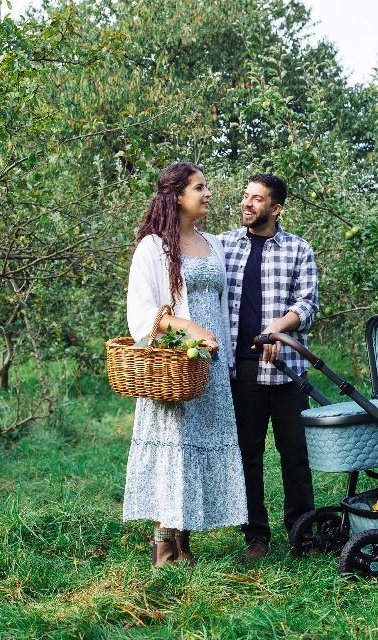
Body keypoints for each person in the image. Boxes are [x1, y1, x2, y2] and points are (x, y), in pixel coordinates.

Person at [123, 162, 248, 568]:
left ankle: (186, 541)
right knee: (173, 449)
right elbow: (143, 313)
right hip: (177, 361)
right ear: (177, 195)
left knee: (195, 450)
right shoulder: (154, 247)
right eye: (200, 187)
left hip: (211, 365)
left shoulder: (214, 244)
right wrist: (190, 328)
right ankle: (163, 544)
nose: (208, 193)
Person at [220, 173, 318, 559]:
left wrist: (278, 328)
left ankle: (302, 533)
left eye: (257, 199)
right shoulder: (224, 246)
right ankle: (255, 536)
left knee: (295, 453)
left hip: (288, 367)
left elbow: (307, 305)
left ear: (275, 208)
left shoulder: (298, 249)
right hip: (242, 367)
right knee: (248, 453)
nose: (247, 204)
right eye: (246, 196)